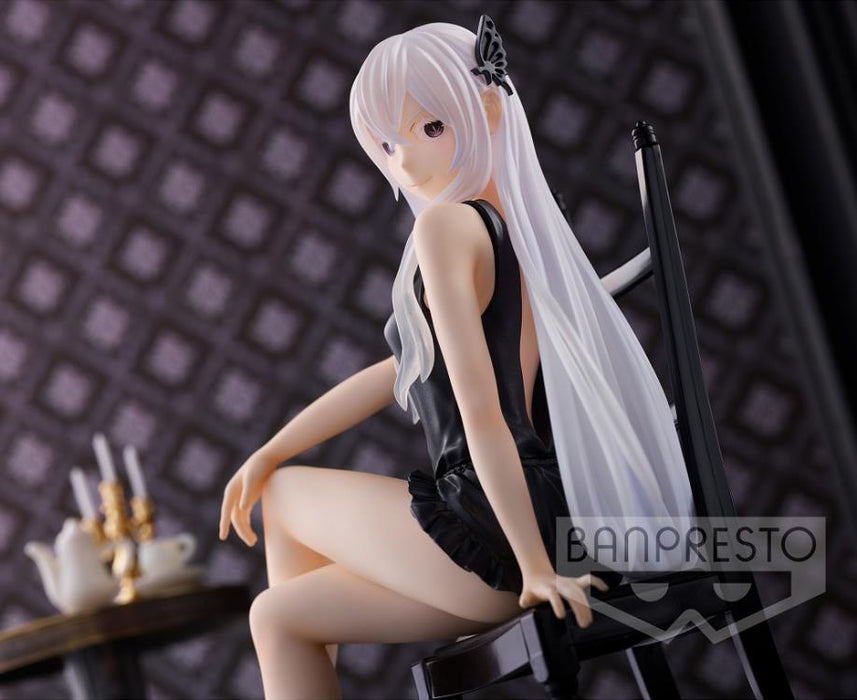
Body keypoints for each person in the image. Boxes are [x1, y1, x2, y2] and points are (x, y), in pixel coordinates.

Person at [219, 16, 695, 700]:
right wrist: (270, 447)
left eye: (430, 128)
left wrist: (533, 567)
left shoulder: (448, 228)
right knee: (278, 616)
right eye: (388, 144)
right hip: (541, 527)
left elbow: (481, 413)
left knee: (285, 494)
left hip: (497, 535)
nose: (405, 160)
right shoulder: (522, 230)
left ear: (489, 110)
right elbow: (403, 373)